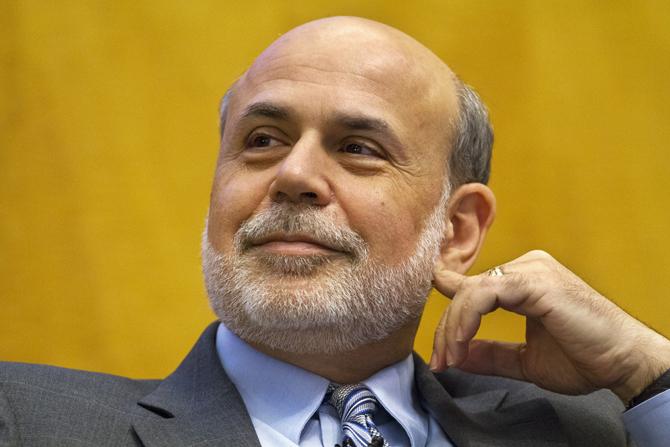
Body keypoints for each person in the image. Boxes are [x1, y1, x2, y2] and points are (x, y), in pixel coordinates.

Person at [1, 16, 669, 447]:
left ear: (457, 231)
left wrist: (648, 373)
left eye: (358, 148)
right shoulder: (27, 419)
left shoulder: (596, 428)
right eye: (262, 140)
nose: (293, 174)